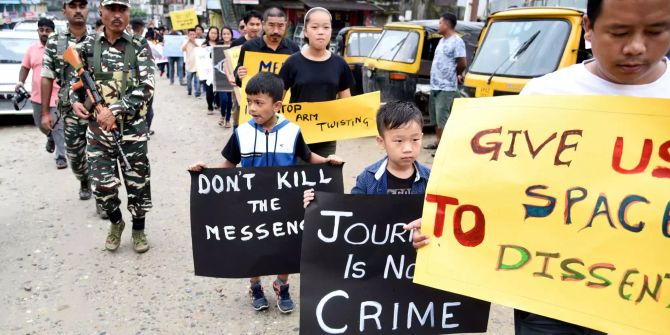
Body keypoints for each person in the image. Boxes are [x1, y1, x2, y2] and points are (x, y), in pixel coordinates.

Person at [406, 1, 670, 334]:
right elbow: (504, 189)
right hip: (548, 297)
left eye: (657, 30)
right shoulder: (546, 94)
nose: (636, 46)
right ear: (588, 27)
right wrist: (442, 223)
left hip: (649, 302)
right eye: (618, 32)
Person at [188, 72, 343, 313]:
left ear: (277, 105)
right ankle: (255, 286)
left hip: (286, 204)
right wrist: (204, 172)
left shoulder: (292, 131)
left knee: (287, 244)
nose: (251, 108)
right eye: (249, 101)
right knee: (252, 244)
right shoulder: (242, 133)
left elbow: (309, 157)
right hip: (250, 205)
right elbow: (228, 165)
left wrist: (329, 161)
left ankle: (282, 284)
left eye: (259, 103)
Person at [69, 0, 156, 253]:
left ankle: (138, 229)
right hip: (98, 132)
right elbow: (73, 83)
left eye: (122, 10)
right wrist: (75, 102)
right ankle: (116, 223)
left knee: (137, 183)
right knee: (102, 186)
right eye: (111, 10)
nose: (117, 15)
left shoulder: (139, 45)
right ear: (101, 12)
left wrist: (113, 111)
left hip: (132, 129)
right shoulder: (86, 47)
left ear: (128, 13)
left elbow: (147, 88)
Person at [304, 101, 430, 205]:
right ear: (381, 142)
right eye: (398, 140)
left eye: (415, 139)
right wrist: (318, 202)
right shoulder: (367, 178)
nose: (408, 148)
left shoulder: (431, 179)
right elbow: (352, 210)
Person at [278, 7, 354, 158]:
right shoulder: (292, 63)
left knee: (323, 177)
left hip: (326, 135)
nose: (321, 31)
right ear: (305, 31)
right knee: (296, 178)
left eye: (326, 27)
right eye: (314, 27)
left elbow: (347, 102)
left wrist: (370, 110)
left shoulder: (340, 64)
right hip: (295, 134)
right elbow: (277, 99)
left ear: (331, 31)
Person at [41, 0, 94, 202]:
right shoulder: (55, 41)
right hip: (70, 110)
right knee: (75, 155)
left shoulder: (99, 40)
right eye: (73, 6)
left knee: (100, 155)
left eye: (82, 6)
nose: (78, 10)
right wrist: (46, 112)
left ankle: (102, 196)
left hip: (96, 108)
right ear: (64, 11)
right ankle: (84, 180)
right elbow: (46, 76)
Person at [18, 18, 66, 169]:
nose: (45, 33)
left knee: (58, 126)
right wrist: (20, 82)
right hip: (37, 96)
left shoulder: (61, 50)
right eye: (42, 30)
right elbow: (25, 67)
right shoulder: (32, 49)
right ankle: (49, 137)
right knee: (40, 124)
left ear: (53, 32)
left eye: (48, 30)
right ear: (38, 31)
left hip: (56, 96)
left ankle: (61, 157)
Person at [424, 12, 466, 154]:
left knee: (443, 118)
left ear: (447, 24)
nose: (438, 26)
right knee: (435, 118)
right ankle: (438, 142)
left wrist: (456, 74)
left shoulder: (457, 41)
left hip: (446, 87)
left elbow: (462, 63)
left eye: (440, 23)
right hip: (435, 85)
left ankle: (444, 149)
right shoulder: (442, 41)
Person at [229, 10, 263, 128]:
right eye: (252, 24)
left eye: (258, 24)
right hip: (240, 86)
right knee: (239, 115)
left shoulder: (265, 43)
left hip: (260, 88)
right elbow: (230, 64)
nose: (255, 27)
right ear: (245, 25)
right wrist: (234, 75)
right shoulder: (237, 43)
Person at [131, 18, 154, 135]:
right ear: (141, 28)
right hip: (144, 81)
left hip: (130, 81)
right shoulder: (143, 42)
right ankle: (146, 130)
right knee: (148, 109)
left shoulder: (126, 40)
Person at [217, 26, 235, 127]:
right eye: (224, 34)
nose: (226, 36)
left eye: (228, 33)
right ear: (221, 35)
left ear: (231, 35)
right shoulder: (217, 46)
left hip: (232, 77)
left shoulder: (235, 46)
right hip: (221, 77)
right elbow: (212, 58)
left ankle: (228, 120)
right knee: (224, 99)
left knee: (229, 100)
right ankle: (222, 116)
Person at [201, 26, 221, 115]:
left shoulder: (221, 44)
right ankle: (210, 106)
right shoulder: (204, 44)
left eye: (215, 33)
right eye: (212, 33)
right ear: (208, 33)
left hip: (218, 70)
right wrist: (202, 49)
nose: (213, 35)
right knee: (209, 90)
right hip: (208, 71)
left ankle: (218, 104)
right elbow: (200, 57)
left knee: (219, 89)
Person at [182, 28, 201, 97]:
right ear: (188, 35)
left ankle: (197, 93)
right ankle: (189, 90)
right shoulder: (185, 42)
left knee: (198, 81)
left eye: (193, 34)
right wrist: (188, 41)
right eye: (190, 34)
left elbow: (201, 48)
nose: (192, 36)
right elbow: (182, 49)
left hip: (197, 66)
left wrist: (194, 42)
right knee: (189, 80)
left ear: (196, 34)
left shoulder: (198, 41)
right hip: (189, 65)